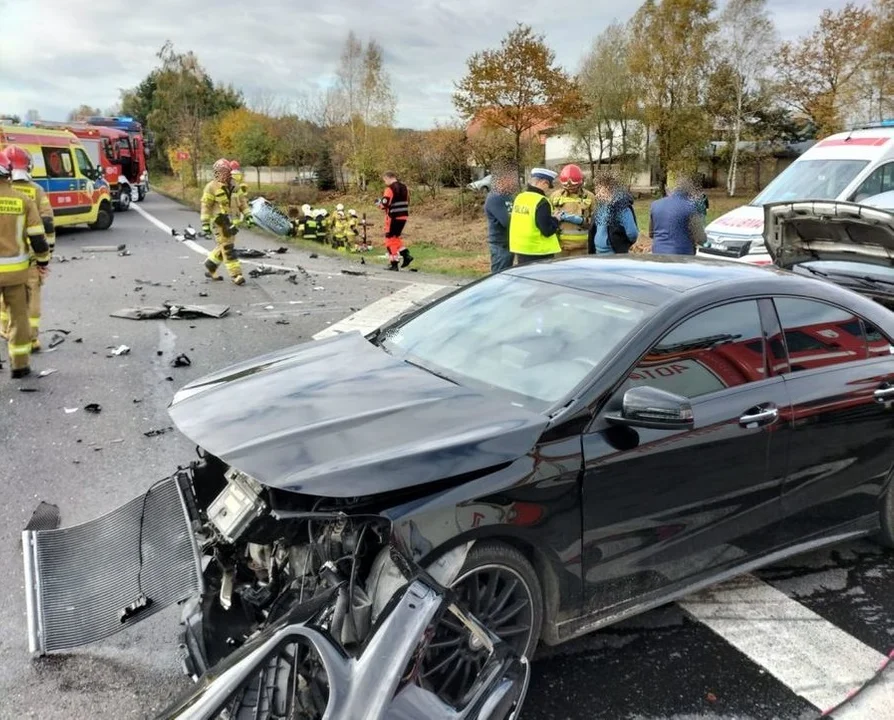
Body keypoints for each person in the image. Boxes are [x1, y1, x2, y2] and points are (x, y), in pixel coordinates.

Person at [0, 147, 51, 379]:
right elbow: (39, 236)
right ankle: (19, 365)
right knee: (20, 317)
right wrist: (43, 262)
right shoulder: (24, 199)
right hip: (16, 273)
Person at [201, 158, 245, 285]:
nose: (220, 174)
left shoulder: (235, 185)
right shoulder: (211, 187)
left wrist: (248, 214)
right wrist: (205, 222)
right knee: (228, 247)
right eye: (218, 171)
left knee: (224, 245)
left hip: (233, 223)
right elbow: (206, 206)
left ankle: (210, 265)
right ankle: (236, 275)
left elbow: (242, 202)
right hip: (219, 221)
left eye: (223, 171)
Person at [509, 168, 561, 265]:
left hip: (521, 249)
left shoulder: (520, 197)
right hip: (539, 252)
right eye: (548, 185)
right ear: (543, 182)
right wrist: (555, 219)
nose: (547, 189)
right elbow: (547, 230)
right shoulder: (541, 201)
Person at [649, 178, 708, 255]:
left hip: (658, 251)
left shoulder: (655, 205)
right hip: (682, 254)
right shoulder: (692, 207)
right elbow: (700, 237)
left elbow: (651, 233)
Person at [588, 174, 639, 255]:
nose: (597, 194)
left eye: (600, 190)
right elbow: (593, 229)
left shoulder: (623, 209)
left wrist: (624, 245)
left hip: (614, 254)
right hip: (598, 253)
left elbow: (632, 233)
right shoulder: (600, 206)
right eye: (597, 190)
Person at [551, 164, 595, 257]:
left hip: (581, 248)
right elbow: (547, 219)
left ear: (581, 183)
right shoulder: (555, 196)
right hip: (560, 247)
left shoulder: (590, 197)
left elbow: (598, 222)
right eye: (567, 187)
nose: (570, 189)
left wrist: (582, 221)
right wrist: (555, 218)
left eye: (573, 187)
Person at [484, 164, 517, 273]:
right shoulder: (495, 198)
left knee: (507, 274)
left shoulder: (508, 196)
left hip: (509, 242)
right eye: (510, 179)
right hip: (500, 244)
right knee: (499, 275)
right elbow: (507, 221)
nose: (513, 182)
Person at [378, 171, 413, 270]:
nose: (385, 182)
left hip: (393, 217)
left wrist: (379, 204)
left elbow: (384, 204)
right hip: (403, 215)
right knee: (395, 237)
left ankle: (394, 263)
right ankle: (406, 255)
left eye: (385, 180)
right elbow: (408, 200)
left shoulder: (389, 189)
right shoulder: (404, 187)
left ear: (388, 178)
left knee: (389, 240)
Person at [229, 161, 254, 228]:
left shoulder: (229, 175)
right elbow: (243, 183)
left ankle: (235, 222)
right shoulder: (240, 174)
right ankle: (249, 219)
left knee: (234, 208)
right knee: (244, 206)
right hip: (241, 193)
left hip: (233, 194)